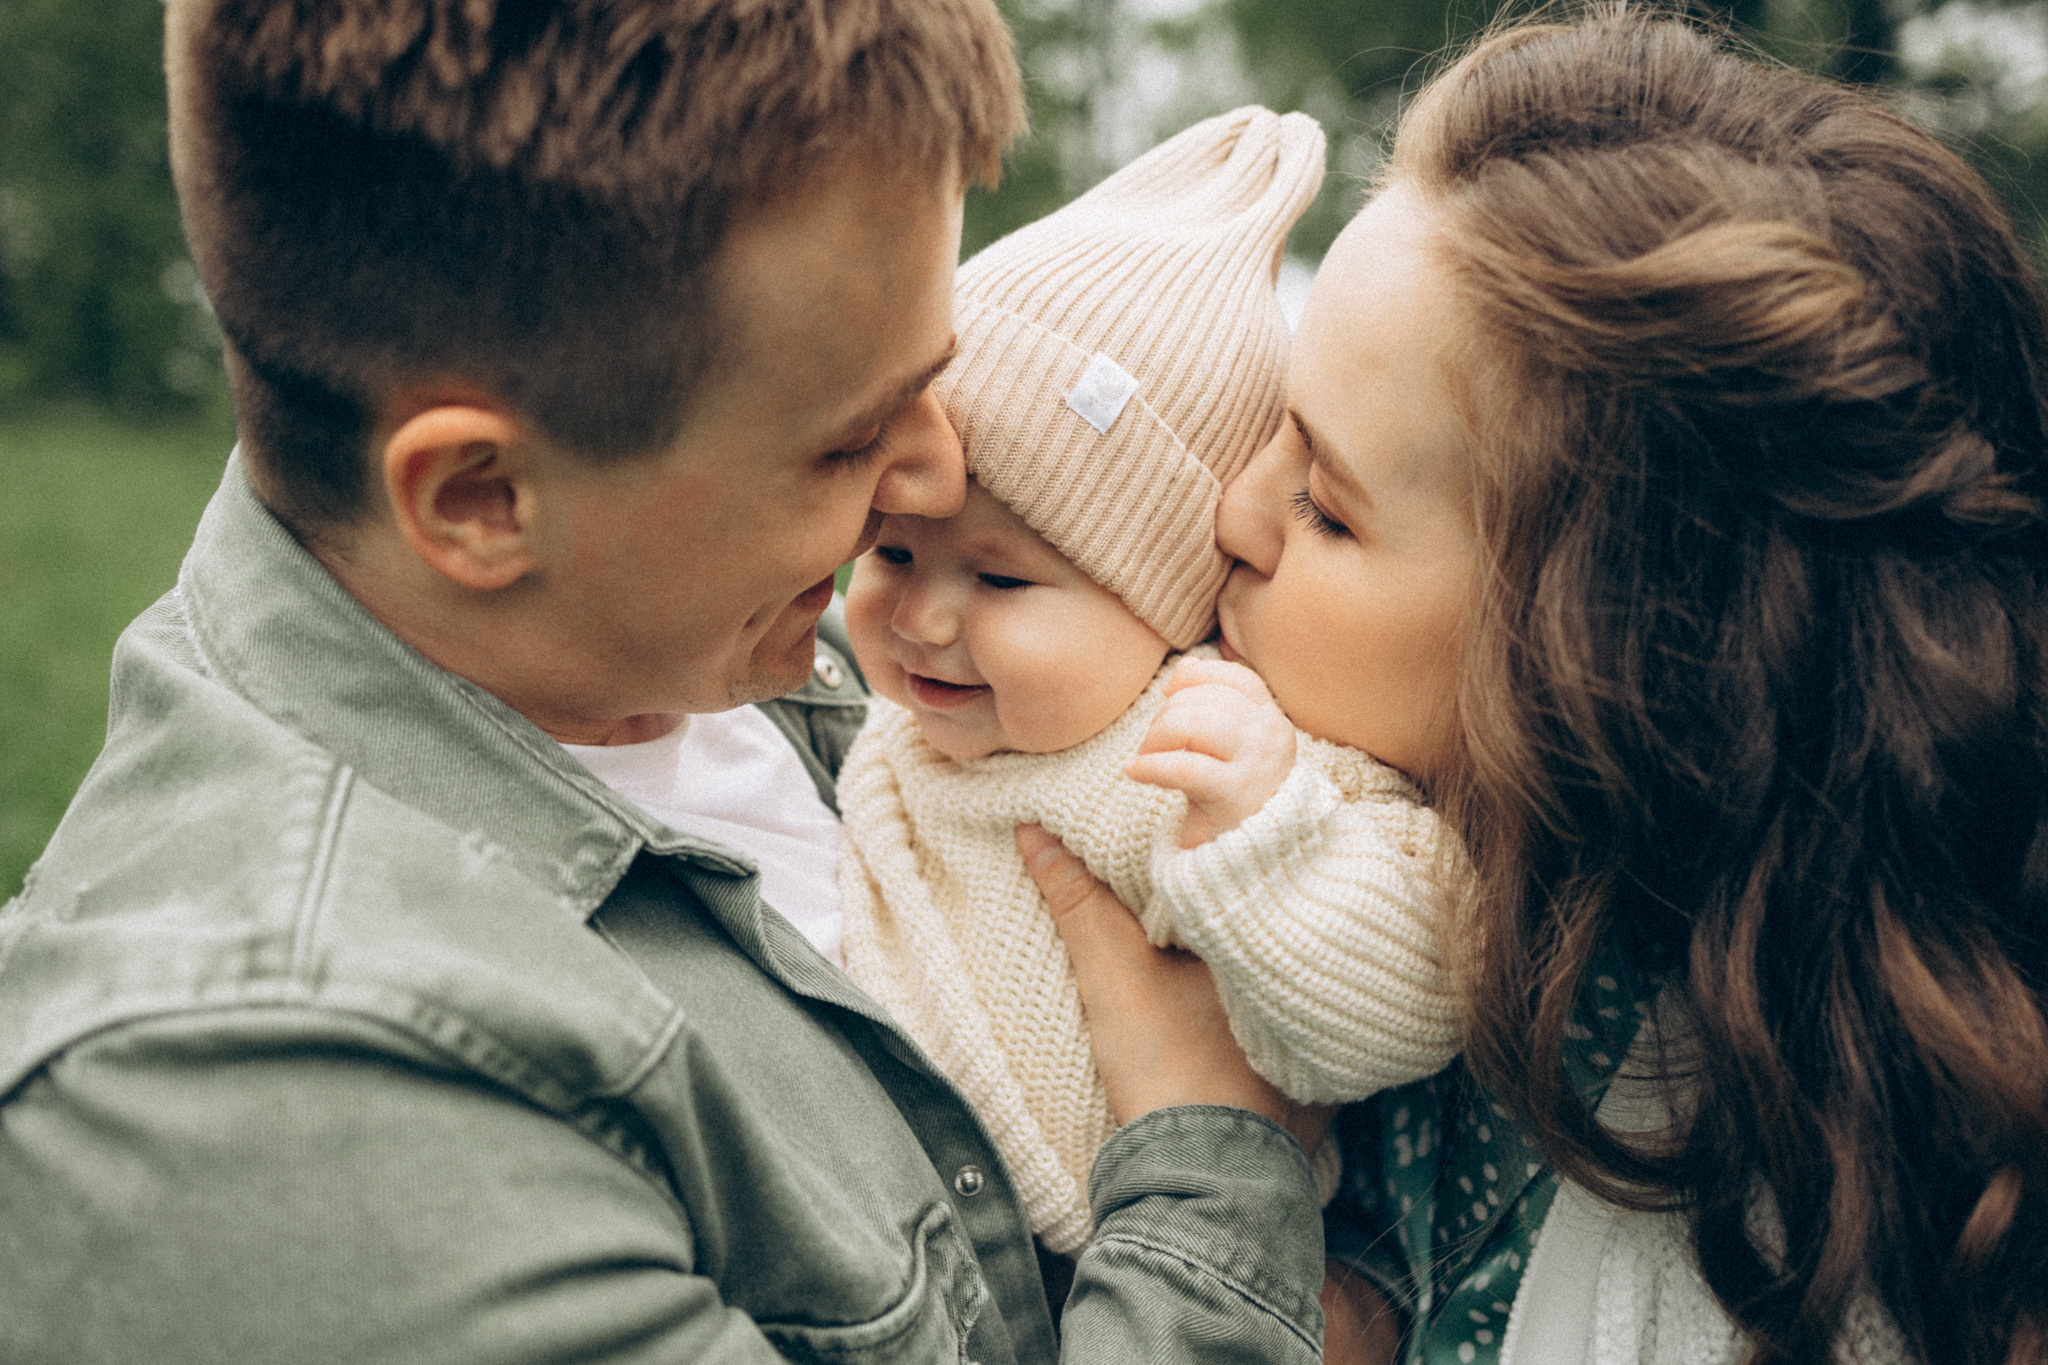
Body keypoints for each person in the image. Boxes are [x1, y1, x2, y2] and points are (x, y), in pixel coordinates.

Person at [0, 2, 1335, 1360]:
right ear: (479, 499)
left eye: (929, 381)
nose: (939, 473)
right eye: (846, 440)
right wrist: (1218, 1169)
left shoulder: (683, 636)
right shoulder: (285, 1123)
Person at [1026, 9, 2048, 1363]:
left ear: (1604, 655)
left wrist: (1205, 1163)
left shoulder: (1844, 1239)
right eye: (1277, 418)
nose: (1233, 509)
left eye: (1328, 508)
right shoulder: (1252, 839)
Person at [835, 105, 1465, 1262]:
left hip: (1123, 1260)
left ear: (1162, 603)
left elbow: (1406, 1000)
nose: (919, 619)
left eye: (1002, 580)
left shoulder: (1203, 754)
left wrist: (1265, 842)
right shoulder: (884, 727)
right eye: (889, 553)